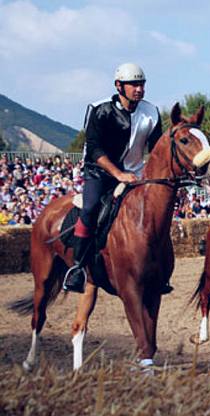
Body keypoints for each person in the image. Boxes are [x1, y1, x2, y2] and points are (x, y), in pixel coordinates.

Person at [63, 63, 163, 293]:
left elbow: (156, 149)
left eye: (142, 84)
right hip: (100, 173)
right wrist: (118, 174)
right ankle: (77, 268)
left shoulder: (151, 112)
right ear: (119, 86)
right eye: (133, 84)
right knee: (89, 208)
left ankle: (158, 267)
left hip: (135, 174)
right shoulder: (100, 109)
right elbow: (95, 148)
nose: (139, 89)